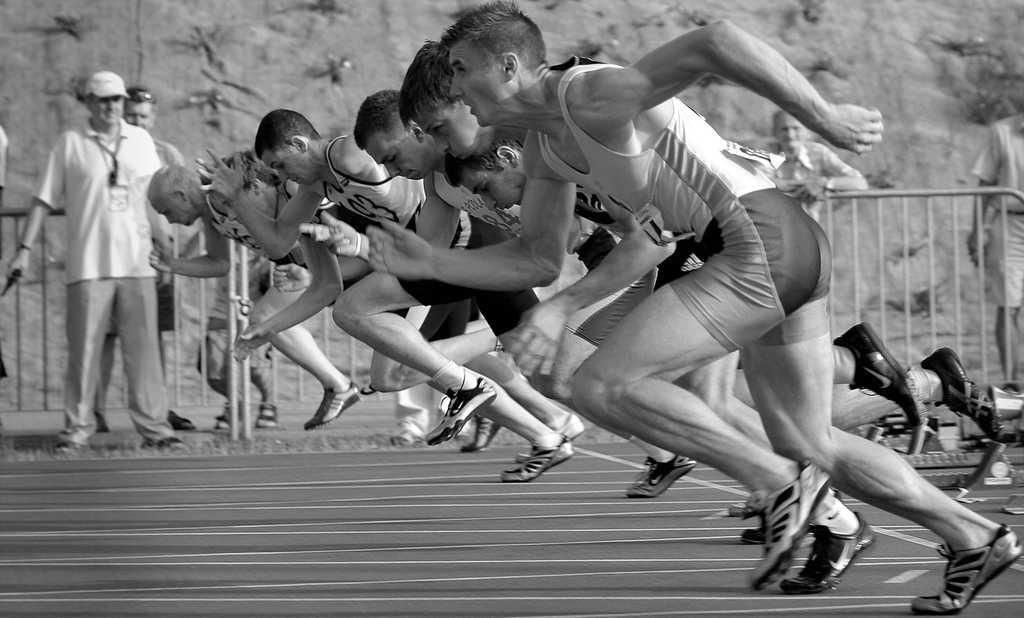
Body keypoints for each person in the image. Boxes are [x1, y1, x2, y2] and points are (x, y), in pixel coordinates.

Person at [364, 4, 1019, 611]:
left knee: (600, 383)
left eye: (461, 74)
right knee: (807, 437)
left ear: (509, 67)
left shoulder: (586, 95)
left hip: (753, 236)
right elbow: (535, 258)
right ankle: (971, 536)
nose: (456, 93)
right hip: (769, 241)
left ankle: (779, 484)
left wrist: (827, 117)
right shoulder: (544, 146)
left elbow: (715, 41)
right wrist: (434, 264)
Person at [221, 110, 583, 481]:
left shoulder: (345, 157)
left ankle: (537, 403)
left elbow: (394, 141)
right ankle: (546, 425)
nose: (283, 175)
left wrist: (424, 147)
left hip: (453, 244)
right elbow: (312, 273)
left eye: (280, 165)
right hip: (428, 255)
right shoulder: (315, 192)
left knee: (399, 367)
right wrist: (268, 327)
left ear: (299, 144)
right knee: (391, 342)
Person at [4, 70, 183, 452]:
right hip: (88, 266)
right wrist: (23, 249)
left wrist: (166, 242)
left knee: (145, 353)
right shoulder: (70, 143)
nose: (111, 107)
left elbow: (156, 196)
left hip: (137, 264)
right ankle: (77, 430)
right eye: (103, 100)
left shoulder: (140, 140)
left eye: (116, 99)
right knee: (84, 354)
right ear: (87, 102)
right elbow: (43, 200)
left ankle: (156, 430)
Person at [145, 155, 362, 431]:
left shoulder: (222, 195)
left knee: (266, 318)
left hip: (319, 246)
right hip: (300, 263)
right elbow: (219, 263)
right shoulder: (211, 215)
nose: (170, 220)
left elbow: (276, 196)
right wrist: (175, 265)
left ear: (180, 195)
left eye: (166, 211)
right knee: (266, 320)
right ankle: (339, 385)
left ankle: (340, 385)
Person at [93, 84, 195, 433]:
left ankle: (160, 409)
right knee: (104, 336)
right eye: (131, 115)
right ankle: (94, 410)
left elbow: (185, 201)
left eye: (143, 116)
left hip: (154, 258)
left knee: (154, 337)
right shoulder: (108, 149)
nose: (137, 121)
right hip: (112, 256)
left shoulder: (168, 153)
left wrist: (171, 252)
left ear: (153, 118)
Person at [969, 111, 1024, 392]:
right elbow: (985, 185)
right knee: (1009, 305)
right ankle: (1013, 382)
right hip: (1009, 220)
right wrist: (977, 229)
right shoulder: (1002, 132)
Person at [770, 110, 868, 221]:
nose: (790, 135)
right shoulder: (763, 152)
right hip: (770, 228)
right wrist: (803, 186)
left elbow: (860, 183)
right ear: (774, 132)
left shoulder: (818, 152)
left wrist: (824, 183)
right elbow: (757, 183)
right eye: (784, 129)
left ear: (808, 132)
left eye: (796, 128)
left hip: (808, 227)